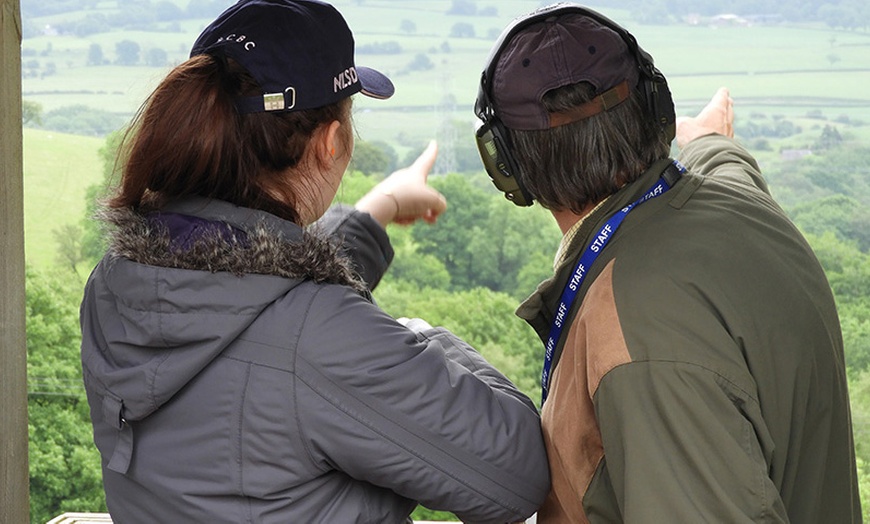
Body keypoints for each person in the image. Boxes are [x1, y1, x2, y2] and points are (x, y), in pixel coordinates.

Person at [79, 1, 550, 522]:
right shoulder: (324, 340)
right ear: (330, 143)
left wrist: (379, 209)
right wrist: (415, 337)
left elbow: (260, 305)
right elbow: (518, 476)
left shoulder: (117, 281)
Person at [473, 3, 861, 522]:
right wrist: (709, 139)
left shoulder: (642, 342)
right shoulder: (742, 211)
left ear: (509, 165)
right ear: (656, 110)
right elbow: (725, 168)